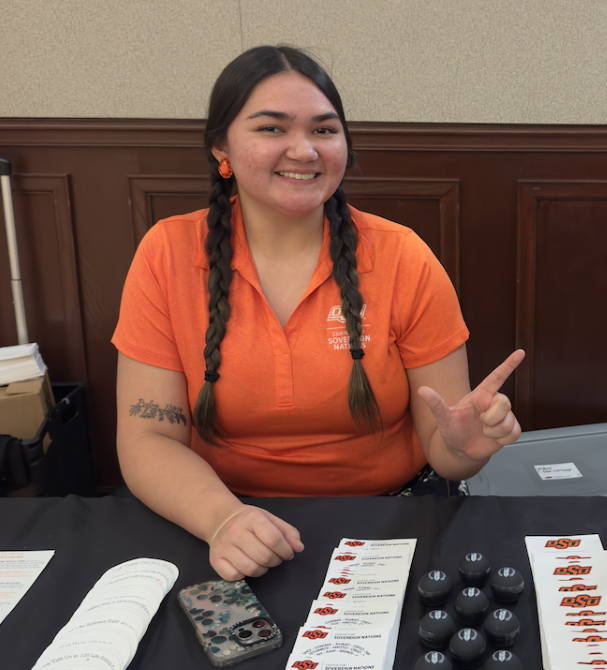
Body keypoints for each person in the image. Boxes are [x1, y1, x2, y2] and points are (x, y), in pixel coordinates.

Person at [113, 46, 524, 581]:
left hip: (392, 515)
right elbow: (147, 438)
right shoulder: (165, 254)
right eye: (271, 129)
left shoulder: (403, 257)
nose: (303, 150)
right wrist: (222, 520)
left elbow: (445, 451)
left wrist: (468, 450)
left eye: (324, 130)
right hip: (216, 514)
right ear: (222, 147)